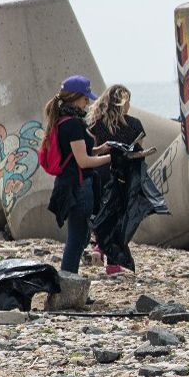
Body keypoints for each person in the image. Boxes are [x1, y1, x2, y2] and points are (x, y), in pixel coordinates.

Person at [44, 76, 111, 274]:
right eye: (85, 98)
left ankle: (69, 278)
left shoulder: (62, 121)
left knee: (81, 236)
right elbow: (83, 161)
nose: (87, 102)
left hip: (71, 183)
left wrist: (100, 149)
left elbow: (76, 155)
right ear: (74, 97)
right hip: (78, 186)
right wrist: (112, 158)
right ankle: (68, 279)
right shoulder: (73, 124)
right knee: (77, 237)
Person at [87, 84, 144, 275]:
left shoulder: (96, 124)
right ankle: (110, 258)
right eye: (128, 101)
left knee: (102, 213)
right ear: (123, 103)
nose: (129, 106)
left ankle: (102, 250)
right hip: (123, 175)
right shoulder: (134, 124)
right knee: (119, 218)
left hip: (100, 172)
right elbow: (138, 153)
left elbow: (91, 151)